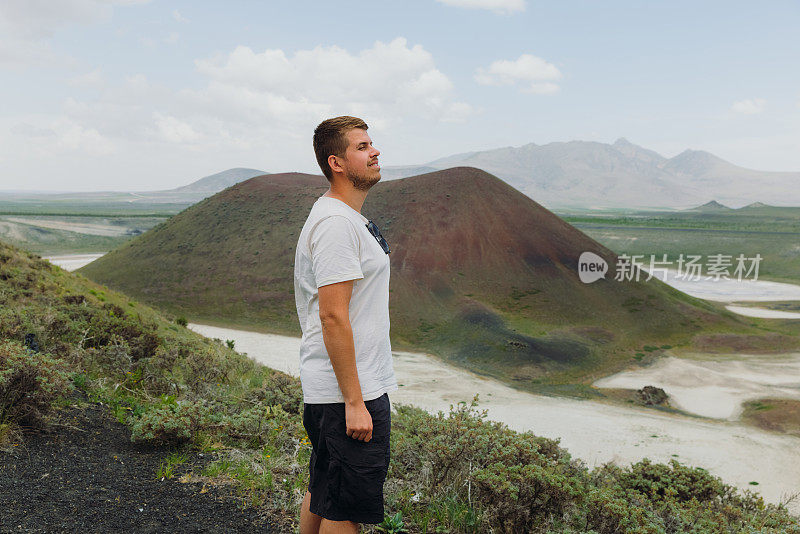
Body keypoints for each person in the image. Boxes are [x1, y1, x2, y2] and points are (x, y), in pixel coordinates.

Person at [293, 116, 397, 534]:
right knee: (345, 509)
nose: (374, 151)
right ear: (336, 162)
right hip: (347, 393)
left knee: (326, 491)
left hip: (340, 389)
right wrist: (355, 401)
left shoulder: (345, 218)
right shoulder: (337, 225)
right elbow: (332, 314)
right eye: (361, 146)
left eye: (372, 144)